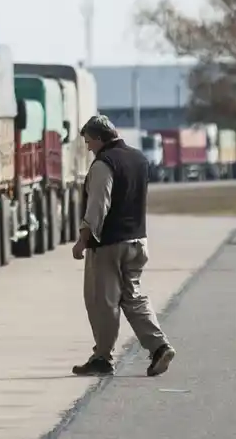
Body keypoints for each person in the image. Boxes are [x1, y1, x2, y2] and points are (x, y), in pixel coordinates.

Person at [70, 115, 175, 378]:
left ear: (99, 138)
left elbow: (98, 204)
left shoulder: (104, 164)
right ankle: (159, 347)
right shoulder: (139, 159)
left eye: (88, 141)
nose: (88, 148)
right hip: (137, 241)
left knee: (102, 302)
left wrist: (83, 240)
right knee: (133, 297)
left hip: (109, 245)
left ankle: (102, 357)